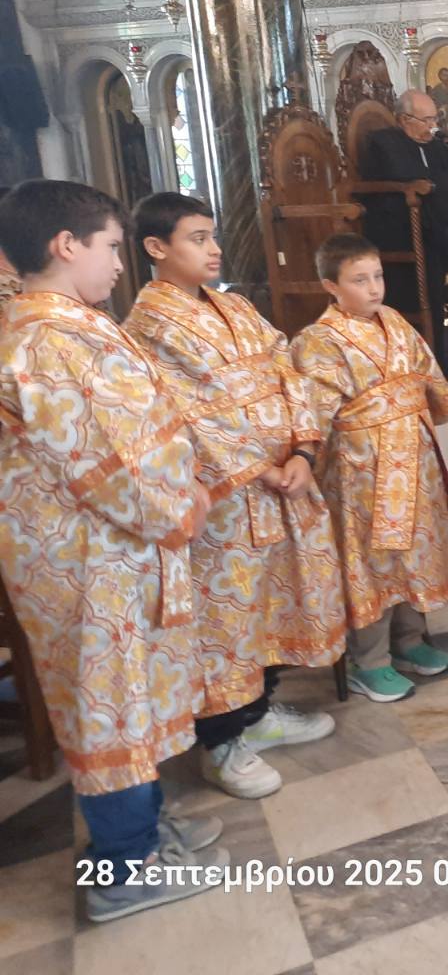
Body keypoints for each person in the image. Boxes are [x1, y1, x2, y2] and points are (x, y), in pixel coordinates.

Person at [0, 179, 226, 921]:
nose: (120, 264)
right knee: (110, 707)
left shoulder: (62, 324)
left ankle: (142, 831)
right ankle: (125, 868)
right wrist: (179, 507)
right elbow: (102, 462)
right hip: (89, 559)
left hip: (106, 551)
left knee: (130, 699)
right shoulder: (50, 339)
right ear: (66, 246)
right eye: (110, 247)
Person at [124, 193, 344, 800]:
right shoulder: (147, 325)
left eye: (214, 236)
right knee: (226, 619)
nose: (214, 249)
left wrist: (303, 449)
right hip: (222, 498)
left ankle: (260, 712)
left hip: (282, 481)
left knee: (269, 605)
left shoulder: (236, 306)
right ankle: (220, 744)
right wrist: (257, 468)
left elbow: (288, 368)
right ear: (156, 247)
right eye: (197, 239)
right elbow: (180, 413)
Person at [292, 234, 448, 703]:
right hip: (362, 469)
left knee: (417, 550)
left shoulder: (394, 322)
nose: (374, 288)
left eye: (378, 276)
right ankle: (369, 660)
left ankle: (411, 640)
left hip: (415, 457)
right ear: (331, 286)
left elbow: (427, 376)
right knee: (374, 561)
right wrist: (309, 457)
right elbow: (313, 410)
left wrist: (431, 409)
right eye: (359, 280)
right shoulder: (317, 341)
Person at [357, 89, 448, 376]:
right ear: (404, 119)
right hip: (399, 240)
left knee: (446, 305)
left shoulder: (435, 146)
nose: (433, 126)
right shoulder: (384, 143)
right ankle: (420, 372)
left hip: (434, 240)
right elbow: (406, 177)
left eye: (435, 119)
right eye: (427, 120)